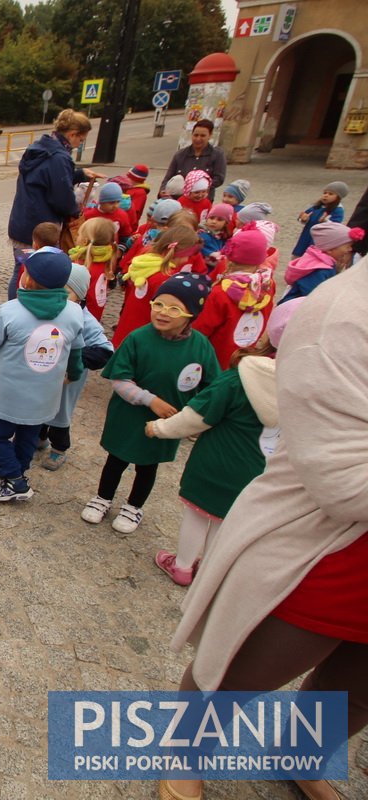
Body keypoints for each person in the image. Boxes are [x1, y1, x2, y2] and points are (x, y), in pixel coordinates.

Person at [162, 264, 368, 800]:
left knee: (358, 689)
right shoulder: (344, 314)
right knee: (239, 674)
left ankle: (304, 752)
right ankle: (185, 753)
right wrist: (160, 424)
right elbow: (344, 480)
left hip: (226, 484)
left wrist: (161, 424)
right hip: (328, 554)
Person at [147, 300, 298, 587]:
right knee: (225, 518)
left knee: (197, 513)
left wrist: (158, 428)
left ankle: (181, 565)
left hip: (216, 462)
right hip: (260, 466)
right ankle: (208, 570)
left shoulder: (239, 379)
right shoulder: (311, 383)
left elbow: (194, 418)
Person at [81, 273, 221, 534]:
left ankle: (134, 506)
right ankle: (103, 497)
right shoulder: (138, 338)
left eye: (174, 308)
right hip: (129, 416)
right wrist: (150, 400)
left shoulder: (201, 346)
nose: (163, 313)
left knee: (148, 466)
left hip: (167, 421)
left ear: (191, 314)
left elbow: (212, 386)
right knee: (116, 459)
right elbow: (120, 380)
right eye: (158, 304)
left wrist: (195, 416)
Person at [0, 249, 84, 502]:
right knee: (28, 435)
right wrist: (73, 374)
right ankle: (15, 469)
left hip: (10, 391)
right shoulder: (74, 312)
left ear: (27, 278)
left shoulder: (9, 311)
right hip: (46, 393)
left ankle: (15, 480)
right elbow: (77, 353)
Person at [7, 110, 104, 301]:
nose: (80, 144)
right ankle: (23, 309)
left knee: (21, 269)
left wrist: (79, 173)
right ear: (72, 133)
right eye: (81, 139)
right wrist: (75, 212)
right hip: (42, 225)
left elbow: (45, 179)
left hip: (22, 221)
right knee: (34, 271)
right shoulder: (59, 157)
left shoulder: (40, 148)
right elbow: (61, 196)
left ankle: (14, 308)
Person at [38, 264, 113, 471]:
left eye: (66, 292)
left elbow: (104, 350)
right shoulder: (49, 310)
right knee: (39, 405)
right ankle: (39, 436)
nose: (58, 296)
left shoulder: (85, 319)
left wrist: (75, 363)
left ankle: (59, 448)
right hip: (44, 371)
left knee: (60, 412)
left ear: (79, 296)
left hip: (68, 379)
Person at [192, 224, 275, 369]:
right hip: (246, 356)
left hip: (216, 358)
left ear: (229, 259)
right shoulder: (268, 285)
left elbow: (201, 329)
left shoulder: (220, 292)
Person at [111, 226, 200, 350]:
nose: (188, 260)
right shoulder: (165, 278)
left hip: (127, 330)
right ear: (180, 253)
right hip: (144, 339)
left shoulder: (147, 264)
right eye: (188, 255)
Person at [282, 221, 362, 304]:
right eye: (347, 246)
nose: (350, 249)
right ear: (330, 249)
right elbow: (314, 297)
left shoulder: (318, 260)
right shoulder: (319, 270)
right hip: (297, 309)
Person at [160, 119, 226, 201]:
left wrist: (197, 188)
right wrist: (163, 191)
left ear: (210, 135)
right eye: (196, 135)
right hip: (178, 201)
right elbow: (168, 177)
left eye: (202, 136)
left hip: (202, 201)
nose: (198, 139)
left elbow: (219, 179)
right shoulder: (180, 155)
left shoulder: (217, 155)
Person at [69, 217, 118, 322]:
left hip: (79, 316)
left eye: (78, 234)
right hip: (94, 316)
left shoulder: (81, 265)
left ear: (84, 241)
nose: (77, 237)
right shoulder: (106, 261)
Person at [292, 181, 348, 257]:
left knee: (311, 257)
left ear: (338, 197)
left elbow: (335, 226)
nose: (326, 195)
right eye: (325, 193)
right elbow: (304, 217)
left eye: (330, 194)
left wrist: (325, 221)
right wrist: (303, 219)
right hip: (306, 235)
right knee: (299, 254)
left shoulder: (337, 210)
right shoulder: (317, 207)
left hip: (320, 239)